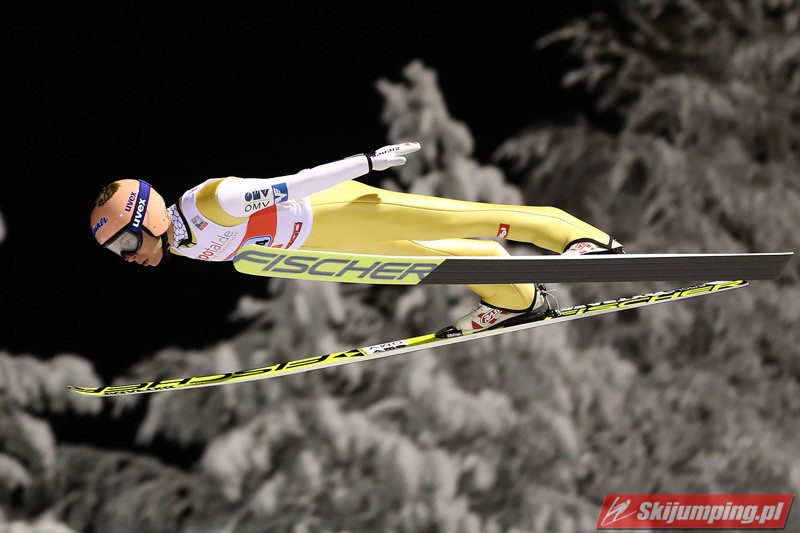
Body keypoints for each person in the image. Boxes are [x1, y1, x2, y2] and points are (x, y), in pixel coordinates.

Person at [89, 142, 623, 336]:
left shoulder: (210, 203)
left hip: (336, 208)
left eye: (126, 245)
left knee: (460, 219)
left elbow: (294, 185)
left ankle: (579, 238)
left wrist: (365, 162)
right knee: (434, 262)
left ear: (147, 218)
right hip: (325, 243)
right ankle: (518, 299)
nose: (128, 258)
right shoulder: (181, 243)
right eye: (118, 254)